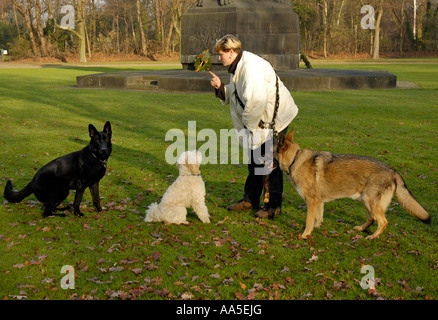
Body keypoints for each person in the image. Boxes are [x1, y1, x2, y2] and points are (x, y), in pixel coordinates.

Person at [209, 34, 298, 219]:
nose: (219, 58)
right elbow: (238, 94)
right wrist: (221, 88)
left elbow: (257, 101)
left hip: (274, 119)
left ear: (231, 52)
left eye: (221, 54)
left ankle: (272, 206)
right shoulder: (239, 66)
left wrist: (249, 127)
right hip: (260, 121)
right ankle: (250, 200)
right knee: (255, 160)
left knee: (269, 163)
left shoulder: (251, 68)